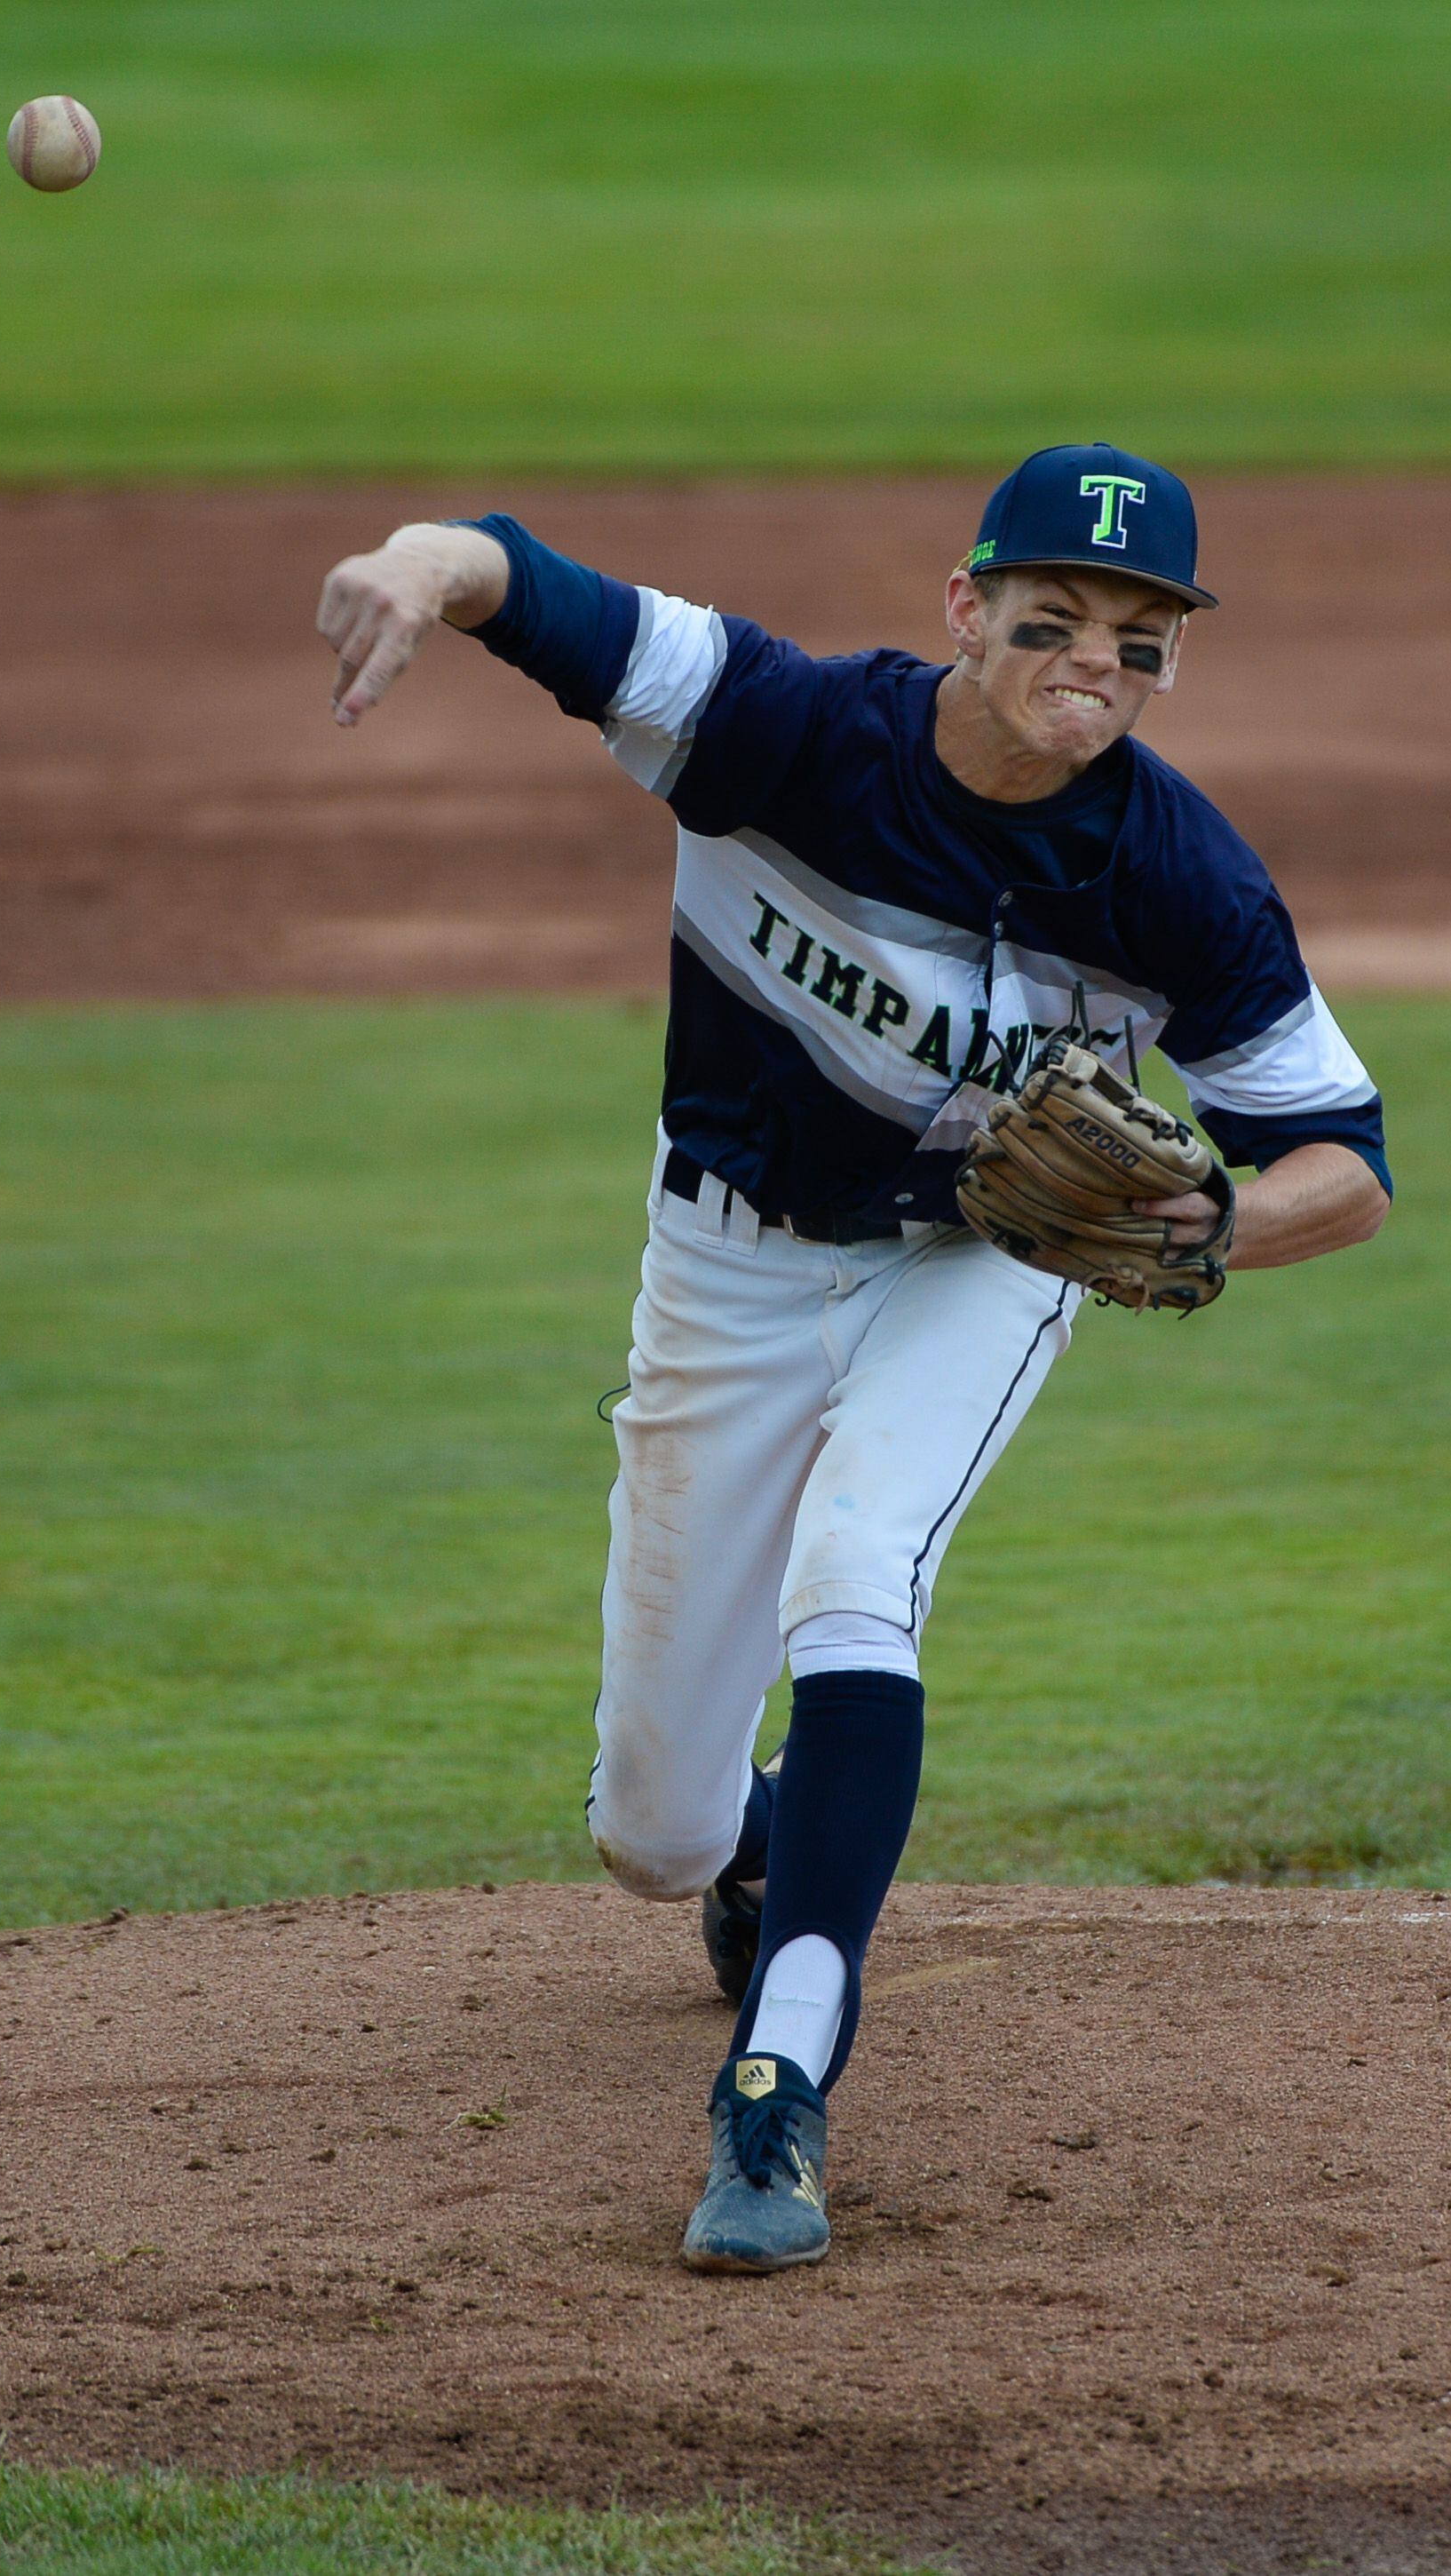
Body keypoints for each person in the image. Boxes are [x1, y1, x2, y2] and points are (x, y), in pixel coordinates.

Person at [316, 444, 1391, 2275]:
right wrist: (421, 568)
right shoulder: (784, 731)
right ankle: (748, 1850)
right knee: (649, 1830)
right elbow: (537, 588)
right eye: (1056, 615)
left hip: (979, 1265)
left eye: (1142, 639)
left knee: (855, 1572)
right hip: (720, 1270)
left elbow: (1344, 1165)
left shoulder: (1177, 875)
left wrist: (1206, 1222)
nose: (1097, 662)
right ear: (964, 608)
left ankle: (779, 2085)